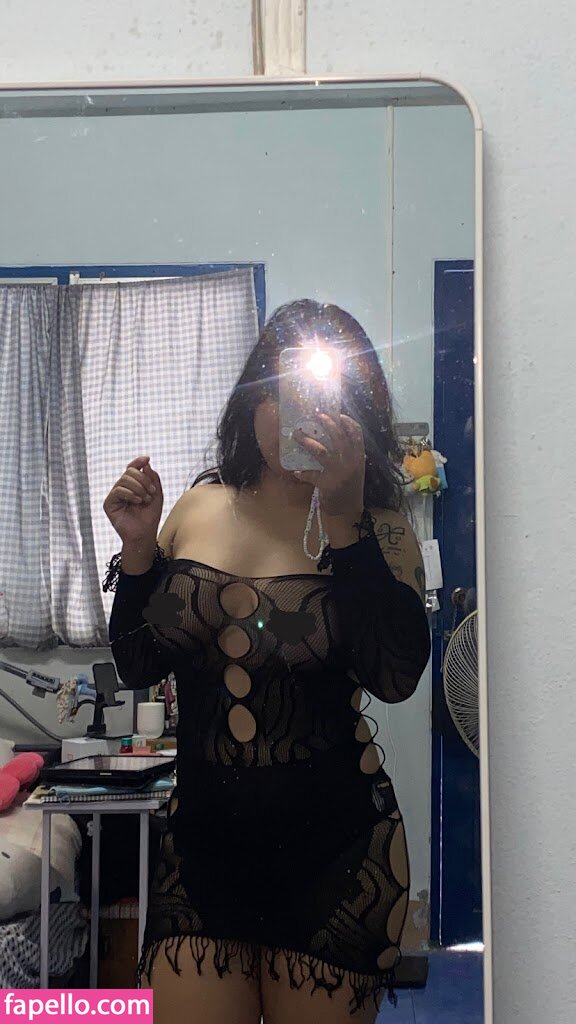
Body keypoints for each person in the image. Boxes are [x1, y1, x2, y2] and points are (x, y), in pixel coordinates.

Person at [102, 299, 431, 1024]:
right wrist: (139, 550)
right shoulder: (198, 508)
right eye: (283, 391)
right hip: (201, 859)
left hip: (337, 863)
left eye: (324, 395)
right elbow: (137, 662)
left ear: (357, 414)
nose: (299, 414)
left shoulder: (381, 531)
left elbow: (396, 676)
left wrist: (343, 521)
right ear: (254, 401)